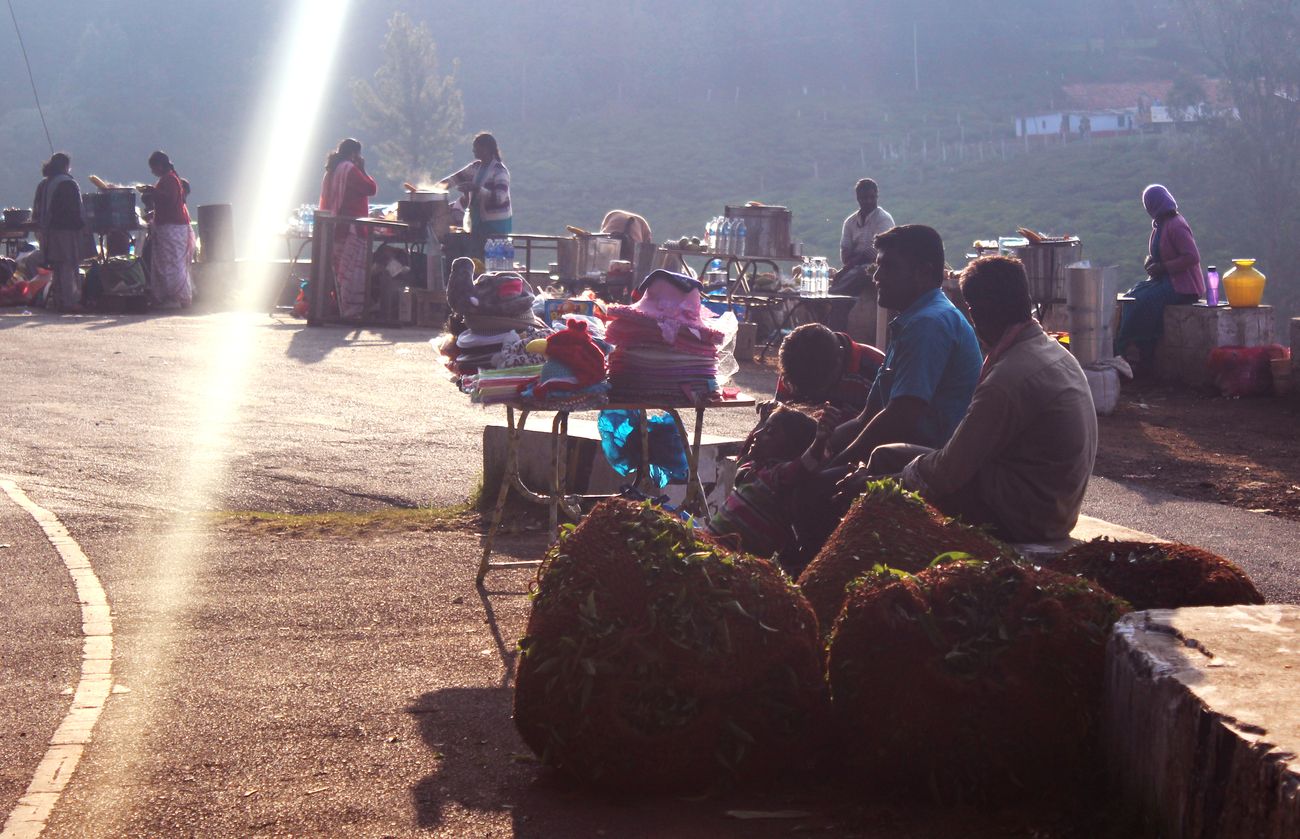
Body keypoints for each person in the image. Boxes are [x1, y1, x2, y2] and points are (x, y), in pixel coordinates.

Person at [850, 255, 1098, 542]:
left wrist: (873, 486)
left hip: (1027, 516)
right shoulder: (1048, 350)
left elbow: (945, 475)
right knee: (885, 455)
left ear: (975, 312)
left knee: (882, 483)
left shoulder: (1007, 379)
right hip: (1053, 503)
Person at [825, 224, 983, 470]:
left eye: (888, 267)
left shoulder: (928, 324)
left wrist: (836, 462)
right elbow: (867, 418)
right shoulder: (914, 320)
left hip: (929, 465)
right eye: (878, 266)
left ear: (923, 272)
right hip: (902, 453)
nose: (876, 277)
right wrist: (816, 447)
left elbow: (900, 419)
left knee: (813, 490)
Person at [707, 405, 838, 560]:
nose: (757, 434)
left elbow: (804, 465)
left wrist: (819, 440)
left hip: (731, 562)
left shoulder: (776, 476)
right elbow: (745, 453)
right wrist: (762, 421)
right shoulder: (753, 469)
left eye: (769, 431)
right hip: (711, 549)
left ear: (790, 449)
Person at [1114, 184, 1204, 374]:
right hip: (1165, 282)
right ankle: (1131, 346)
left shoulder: (1177, 225)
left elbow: (1192, 257)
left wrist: (1164, 267)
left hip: (1182, 287)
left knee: (1142, 301)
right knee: (1132, 295)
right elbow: (1158, 254)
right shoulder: (1159, 226)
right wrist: (1151, 263)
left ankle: (1137, 345)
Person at [319, 138, 378, 319]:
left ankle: (339, 307)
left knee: (339, 270)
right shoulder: (350, 169)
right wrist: (362, 169)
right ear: (354, 154)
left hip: (335, 228)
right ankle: (351, 311)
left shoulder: (332, 170)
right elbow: (370, 188)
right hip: (352, 229)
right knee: (352, 274)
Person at [825, 178, 894, 330]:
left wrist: (850, 265)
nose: (869, 201)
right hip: (854, 267)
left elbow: (877, 252)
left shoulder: (883, 219)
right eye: (864, 198)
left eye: (872, 197)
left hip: (878, 267)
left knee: (848, 284)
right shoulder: (850, 222)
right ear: (858, 198)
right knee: (842, 281)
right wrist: (850, 264)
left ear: (877, 196)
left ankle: (836, 315)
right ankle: (833, 320)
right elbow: (845, 252)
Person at [772, 323, 884, 416]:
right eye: (803, 391)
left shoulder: (876, 370)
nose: (812, 396)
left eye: (818, 388)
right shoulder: (794, 367)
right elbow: (780, 412)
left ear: (839, 361)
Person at [439, 132, 511, 260]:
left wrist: (476, 188)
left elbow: (500, 197)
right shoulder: (476, 167)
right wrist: (434, 189)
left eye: (476, 147)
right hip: (478, 224)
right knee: (478, 260)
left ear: (487, 149)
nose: (473, 150)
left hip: (496, 226)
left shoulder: (500, 170)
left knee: (494, 262)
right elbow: (455, 179)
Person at [32, 152, 86, 313]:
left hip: (47, 231)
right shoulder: (68, 183)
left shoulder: (44, 184)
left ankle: (59, 300)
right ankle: (70, 302)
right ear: (65, 166)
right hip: (66, 231)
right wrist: (83, 227)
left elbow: (36, 208)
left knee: (57, 265)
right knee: (69, 265)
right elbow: (74, 210)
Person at [141, 150, 194, 309]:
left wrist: (152, 191)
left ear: (159, 166)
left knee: (172, 263)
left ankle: (175, 297)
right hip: (169, 226)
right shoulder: (169, 178)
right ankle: (175, 297)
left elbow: (169, 200)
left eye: (153, 168)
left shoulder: (170, 180)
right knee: (169, 262)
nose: (153, 172)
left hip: (173, 226)